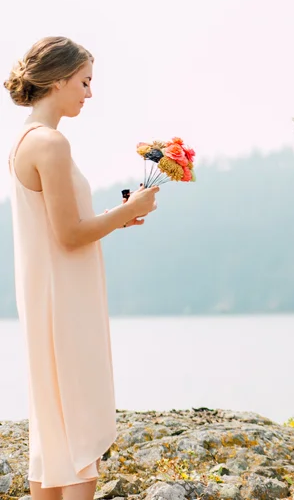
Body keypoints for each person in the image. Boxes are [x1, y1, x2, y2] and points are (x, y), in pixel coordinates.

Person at [5, 36, 159, 500]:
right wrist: (130, 211)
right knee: (77, 426)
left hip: (48, 290)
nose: (89, 94)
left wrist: (119, 215)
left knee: (54, 430)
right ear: (57, 79)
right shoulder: (50, 144)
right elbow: (69, 234)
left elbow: (63, 226)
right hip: (64, 295)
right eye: (84, 82)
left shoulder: (26, 140)